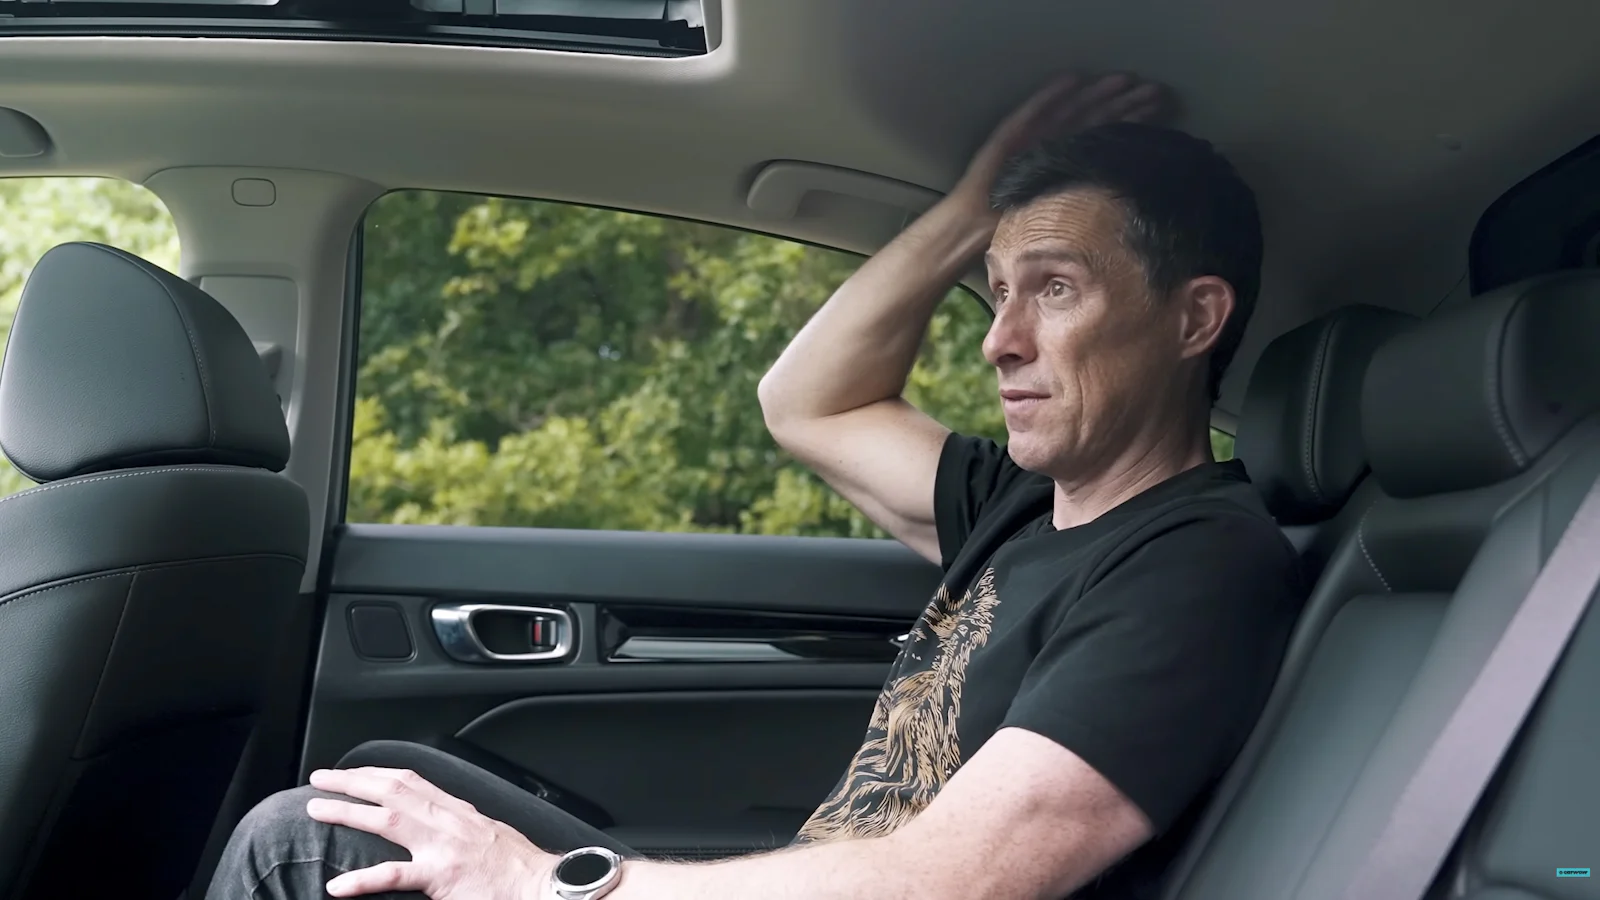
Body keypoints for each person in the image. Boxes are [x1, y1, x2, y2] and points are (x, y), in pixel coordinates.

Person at [206, 72, 1305, 900]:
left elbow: (963, 876)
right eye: (996, 289)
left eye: (1054, 289)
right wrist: (973, 208)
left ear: (1194, 318)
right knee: (378, 785)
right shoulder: (1022, 503)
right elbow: (805, 403)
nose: (997, 340)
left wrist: (548, 882)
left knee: (303, 845)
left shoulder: (1198, 560)